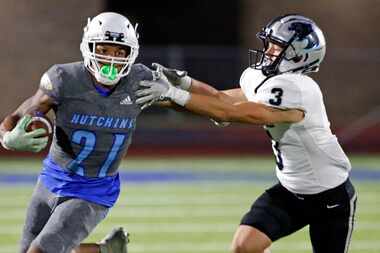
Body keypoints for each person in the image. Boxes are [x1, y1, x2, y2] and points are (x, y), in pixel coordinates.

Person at [136, 14, 357, 253]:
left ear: (300, 56)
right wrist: (183, 85)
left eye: (277, 46)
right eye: (269, 44)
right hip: (291, 190)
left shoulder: (299, 89)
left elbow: (227, 112)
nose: (269, 51)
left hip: (330, 197)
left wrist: (174, 94)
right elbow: (220, 98)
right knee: (244, 247)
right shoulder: (267, 79)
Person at [0, 12, 153, 253]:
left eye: (119, 52)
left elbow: (193, 100)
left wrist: (182, 92)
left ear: (130, 53)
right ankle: (105, 250)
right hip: (51, 179)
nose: (111, 60)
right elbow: (18, 116)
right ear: (89, 46)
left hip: (95, 189)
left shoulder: (140, 82)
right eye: (103, 49)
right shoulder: (64, 79)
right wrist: (8, 138)